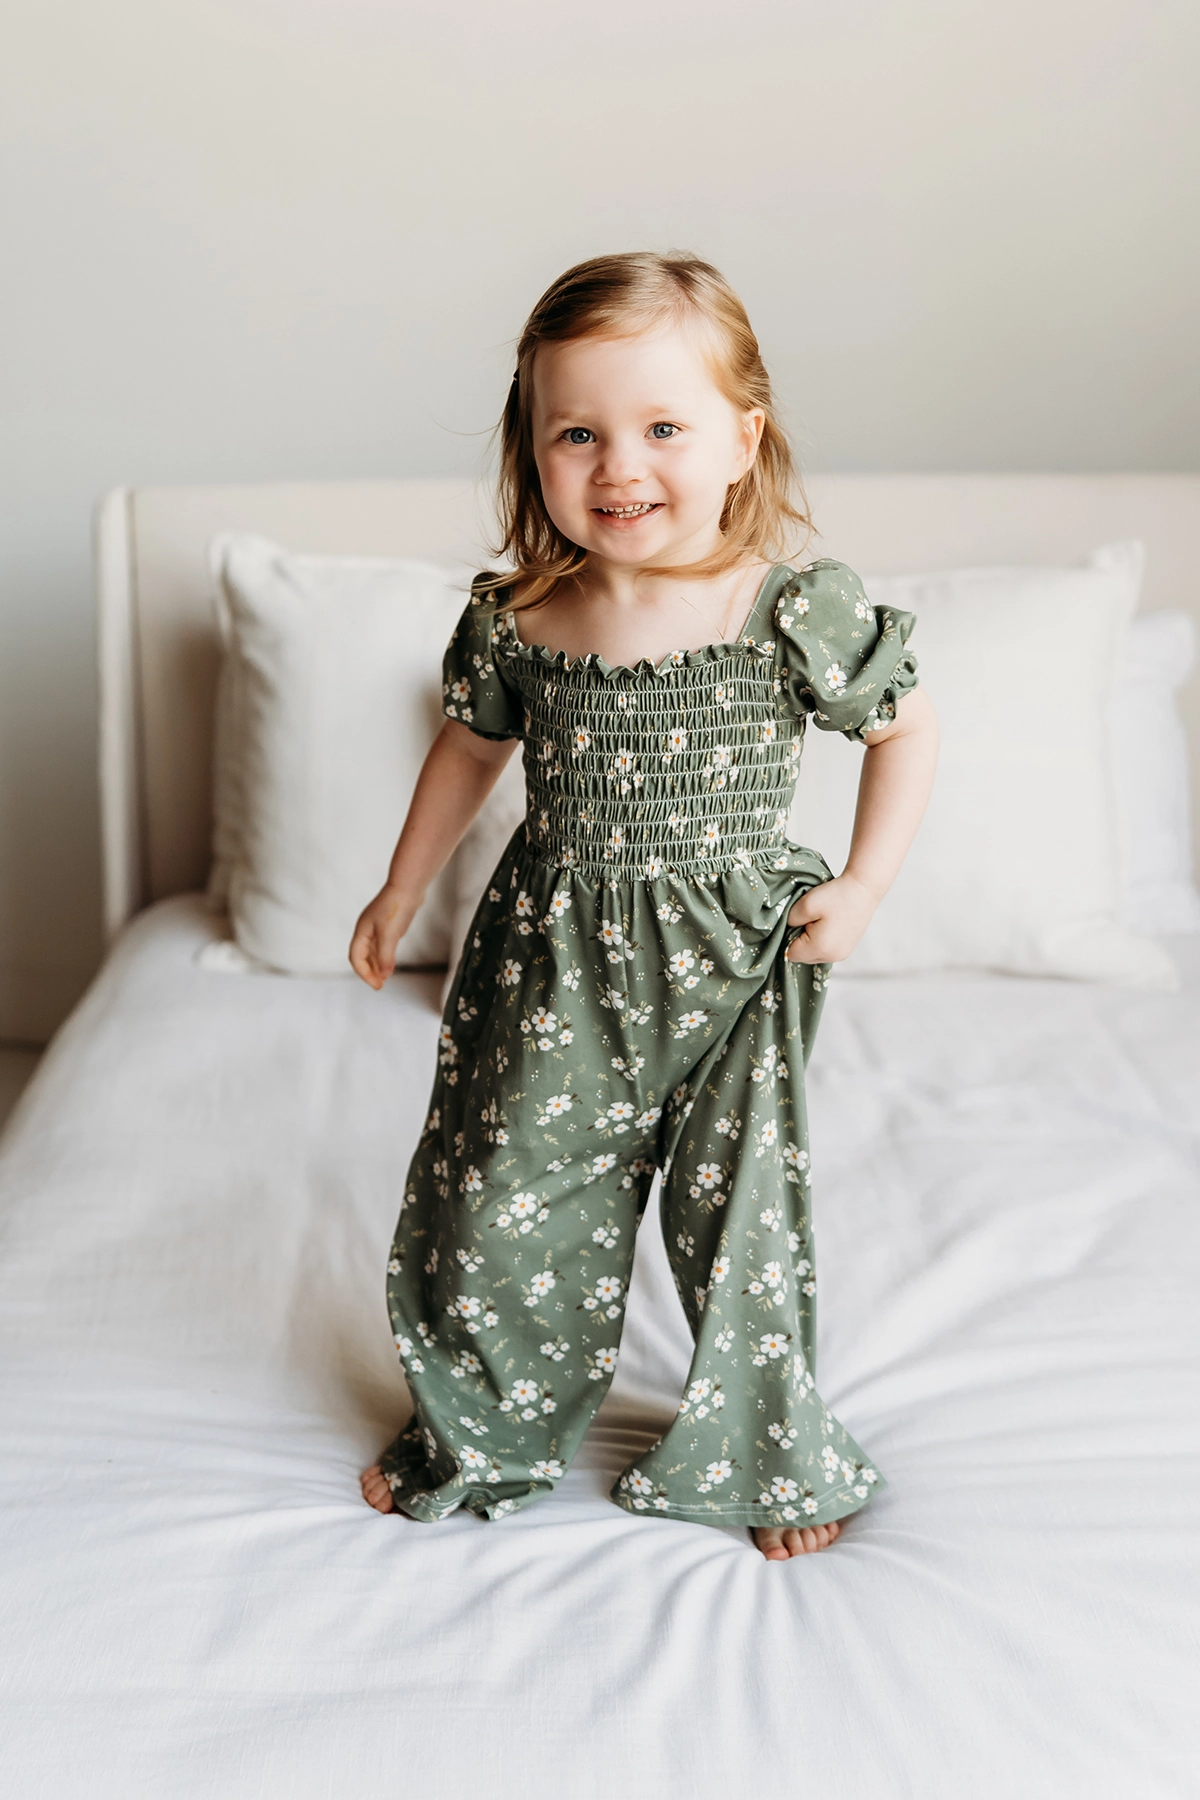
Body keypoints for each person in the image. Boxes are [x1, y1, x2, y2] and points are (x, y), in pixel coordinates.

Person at [350, 251, 939, 1561]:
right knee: (501, 1194)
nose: (620, 466)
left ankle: (770, 1455)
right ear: (535, 448)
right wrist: (404, 885)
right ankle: (484, 1429)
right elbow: (467, 749)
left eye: (663, 428)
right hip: (554, 963)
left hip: (739, 958)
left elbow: (906, 730)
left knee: (739, 1212)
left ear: (742, 438)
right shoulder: (522, 617)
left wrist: (864, 884)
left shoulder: (790, 605)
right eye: (580, 433)